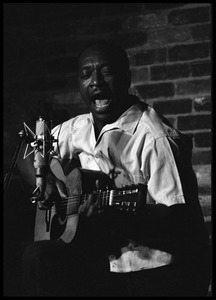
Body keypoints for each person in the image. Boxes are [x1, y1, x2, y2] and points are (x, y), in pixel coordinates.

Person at [20, 40, 211, 296]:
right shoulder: (77, 128)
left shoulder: (154, 138)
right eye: (86, 74)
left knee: (44, 259)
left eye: (106, 71)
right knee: (30, 254)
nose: (95, 81)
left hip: (150, 269)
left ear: (127, 78)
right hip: (100, 259)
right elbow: (26, 154)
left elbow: (177, 217)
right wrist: (46, 181)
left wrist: (116, 215)